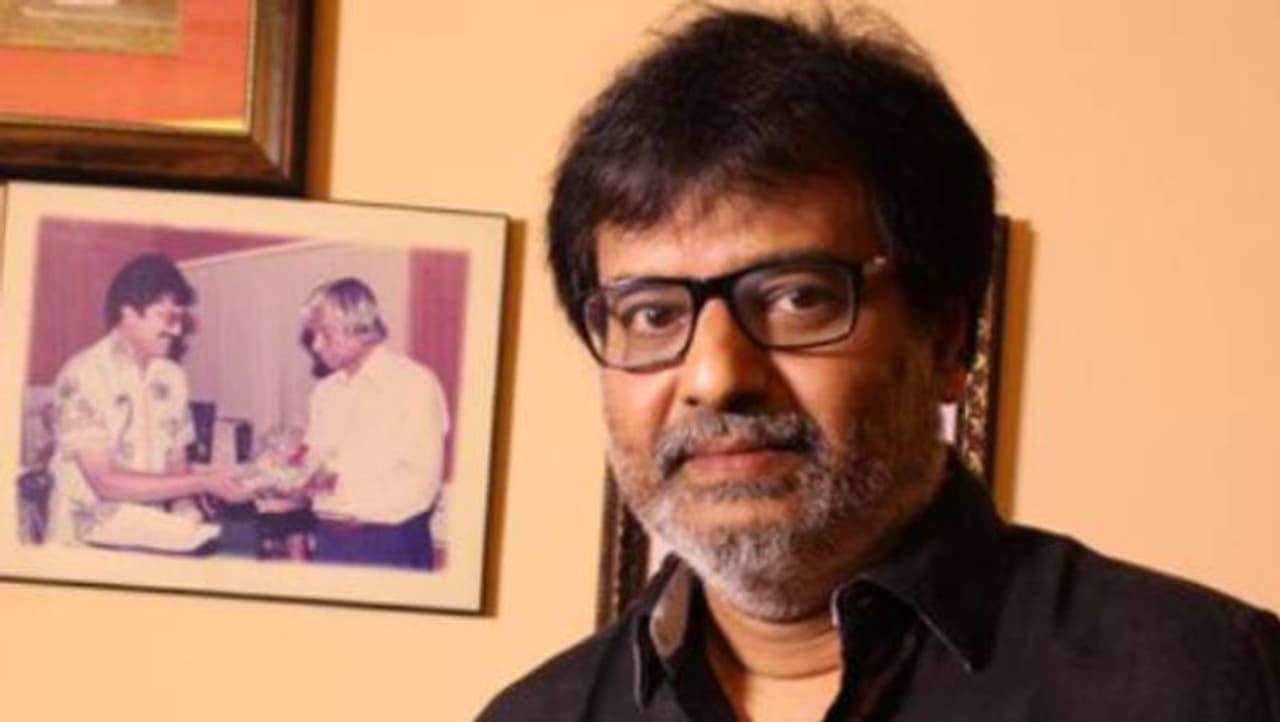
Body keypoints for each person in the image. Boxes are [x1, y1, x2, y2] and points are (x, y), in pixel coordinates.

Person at [479, 6, 1280, 721]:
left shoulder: (1201, 682)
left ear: (947, 342)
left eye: (797, 298)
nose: (716, 377)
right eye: (653, 314)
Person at [46, 253, 253, 545]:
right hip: (84, 547)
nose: (177, 330)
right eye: (167, 318)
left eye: (180, 319)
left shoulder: (173, 378)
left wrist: (185, 507)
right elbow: (104, 482)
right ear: (128, 314)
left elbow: (176, 462)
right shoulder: (83, 375)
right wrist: (203, 482)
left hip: (149, 537)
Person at [299, 277, 450, 569]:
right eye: (313, 335)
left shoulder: (414, 384)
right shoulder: (324, 392)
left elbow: (421, 484)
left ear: (361, 328)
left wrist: (342, 500)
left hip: (390, 546)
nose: (316, 346)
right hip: (329, 544)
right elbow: (316, 464)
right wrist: (288, 478)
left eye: (326, 334)